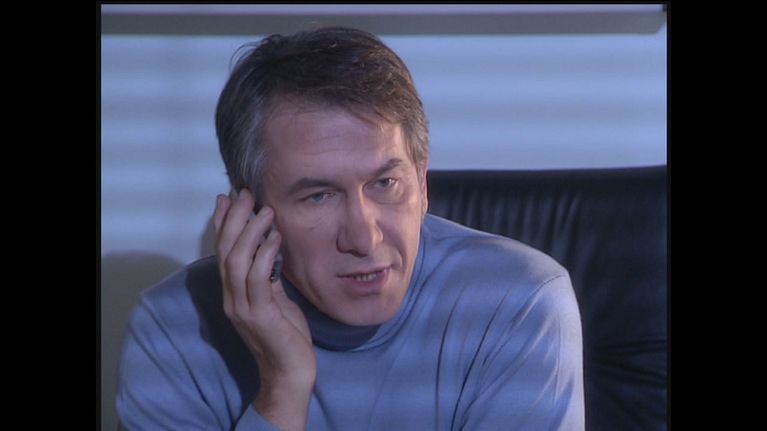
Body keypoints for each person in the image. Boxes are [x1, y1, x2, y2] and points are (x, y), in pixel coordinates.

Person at [116, 27, 584, 430]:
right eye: (318, 196)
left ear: (422, 183)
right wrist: (282, 388)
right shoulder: (173, 332)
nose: (364, 239)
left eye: (385, 183)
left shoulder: (517, 303)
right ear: (250, 211)